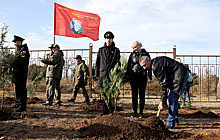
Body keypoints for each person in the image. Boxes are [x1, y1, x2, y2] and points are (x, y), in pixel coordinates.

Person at [139, 56, 189, 129]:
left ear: (149, 60)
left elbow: (163, 84)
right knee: (172, 98)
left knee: (172, 98)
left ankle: (170, 123)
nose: (144, 68)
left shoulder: (156, 66)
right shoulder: (155, 63)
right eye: (142, 66)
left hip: (180, 75)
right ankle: (174, 120)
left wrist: (162, 102)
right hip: (178, 74)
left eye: (144, 65)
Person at [95, 31, 120, 116]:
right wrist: (97, 74)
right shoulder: (101, 50)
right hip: (103, 75)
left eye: (110, 38)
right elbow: (97, 63)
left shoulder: (116, 50)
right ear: (105, 39)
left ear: (112, 39)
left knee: (111, 94)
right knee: (104, 95)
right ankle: (105, 111)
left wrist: (117, 74)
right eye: (107, 38)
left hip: (112, 76)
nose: (108, 40)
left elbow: (118, 64)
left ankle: (111, 111)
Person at [126, 41, 152, 118]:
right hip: (133, 77)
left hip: (143, 77)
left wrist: (149, 77)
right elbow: (128, 66)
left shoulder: (146, 54)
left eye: (135, 47)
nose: (134, 49)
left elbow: (150, 66)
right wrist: (127, 77)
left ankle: (141, 112)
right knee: (134, 95)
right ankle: (135, 112)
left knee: (142, 95)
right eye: (133, 48)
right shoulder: (132, 55)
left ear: (140, 45)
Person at [11, 35, 30, 112]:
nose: (14, 43)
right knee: (17, 89)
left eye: (15, 42)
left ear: (19, 41)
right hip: (16, 72)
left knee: (21, 89)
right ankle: (18, 103)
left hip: (21, 72)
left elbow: (21, 61)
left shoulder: (23, 50)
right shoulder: (18, 50)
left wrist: (11, 64)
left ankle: (22, 105)